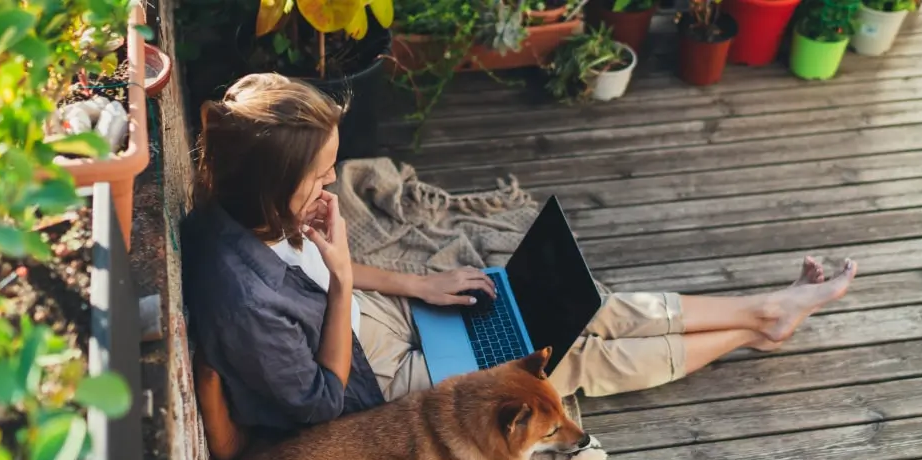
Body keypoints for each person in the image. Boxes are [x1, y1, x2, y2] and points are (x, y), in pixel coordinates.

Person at [181, 73, 858, 436]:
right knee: (569, 358)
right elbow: (322, 405)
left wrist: (416, 284)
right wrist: (344, 284)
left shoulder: (245, 204)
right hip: (375, 386)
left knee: (570, 304)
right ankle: (751, 331)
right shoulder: (240, 302)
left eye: (333, 166)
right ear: (273, 187)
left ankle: (762, 308)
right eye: (319, 177)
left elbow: (326, 276)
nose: (332, 184)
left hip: (370, 318)